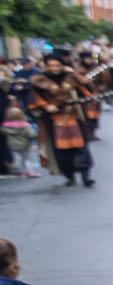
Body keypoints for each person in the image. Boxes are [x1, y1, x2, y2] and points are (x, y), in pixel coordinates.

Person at [29, 53, 95, 187]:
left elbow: (88, 89)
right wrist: (46, 106)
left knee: (81, 148)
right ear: (46, 66)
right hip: (54, 119)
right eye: (51, 65)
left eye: (57, 65)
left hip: (74, 116)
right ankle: (69, 176)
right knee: (61, 152)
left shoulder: (70, 78)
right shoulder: (39, 80)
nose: (55, 68)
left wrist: (75, 74)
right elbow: (34, 97)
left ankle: (86, 176)